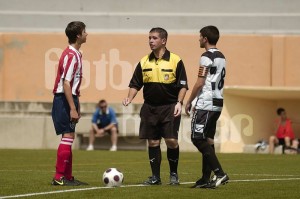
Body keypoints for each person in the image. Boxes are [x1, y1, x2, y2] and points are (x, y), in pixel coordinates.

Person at [123, 27, 188, 185]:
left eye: (154, 38)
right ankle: (155, 177)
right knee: (153, 142)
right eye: (149, 38)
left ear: (163, 41)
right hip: (150, 108)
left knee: (172, 140)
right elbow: (135, 83)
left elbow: (183, 85)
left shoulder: (176, 60)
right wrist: (129, 97)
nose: (150, 41)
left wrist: (179, 103)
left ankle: (173, 174)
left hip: (170, 107)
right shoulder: (144, 61)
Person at [185, 25, 229, 189]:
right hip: (217, 102)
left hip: (206, 103)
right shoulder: (221, 56)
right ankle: (205, 178)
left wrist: (189, 101)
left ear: (205, 38)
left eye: (200, 36)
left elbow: (200, 82)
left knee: (197, 138)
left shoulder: (206, 56)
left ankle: (220, 173)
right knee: (208, 139)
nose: (198, 39)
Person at [51, 21, 88, 186]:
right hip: (64, 99)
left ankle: (67, 176)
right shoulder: (71, 55)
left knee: (69, 136)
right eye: (85, 31)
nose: (87, 34)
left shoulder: (76, 54)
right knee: (67, 136)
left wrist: (76, 105)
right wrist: (72, 108)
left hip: (70, 99)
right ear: (78, 35)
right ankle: (59, 176)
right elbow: (66, 83)